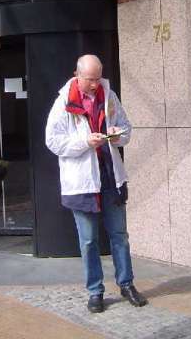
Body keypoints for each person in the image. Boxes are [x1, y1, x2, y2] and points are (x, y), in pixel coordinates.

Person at [45, 54, 147, 313]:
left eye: (98, 78)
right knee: (88, 240)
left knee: (120, 236)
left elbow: (126, 128)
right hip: (81, 183)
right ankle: (95, 291)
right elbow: (53, 142)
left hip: (111, 177)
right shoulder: (63, 103)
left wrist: (117, 135)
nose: (94, 84)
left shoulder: (108, 96)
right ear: (77, 75)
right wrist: (84, 143)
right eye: (90, 79)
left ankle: (127, 284)